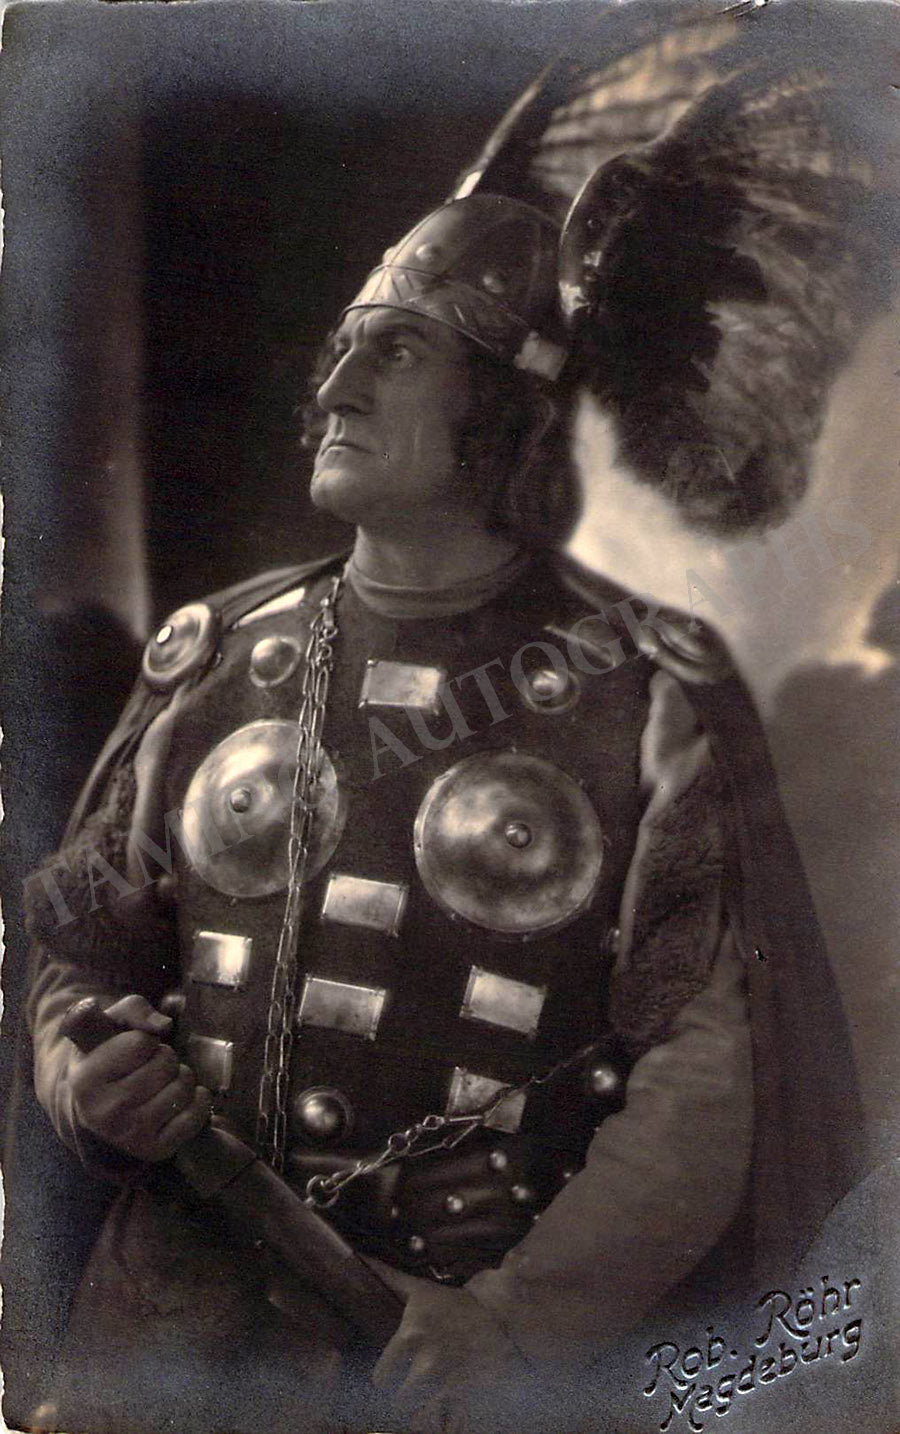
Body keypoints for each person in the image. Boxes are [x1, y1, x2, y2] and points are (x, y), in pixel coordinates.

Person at [25, 191, 862, 1434]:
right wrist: (80, 1083)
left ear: (512, 408)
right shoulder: (212, 662)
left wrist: (517, 1322)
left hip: (433, 1357)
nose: (337, 387)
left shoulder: (647, 694)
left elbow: (704, 1077)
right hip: (159, 1338)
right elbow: (79, 961)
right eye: (344, 347)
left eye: (401, 349)